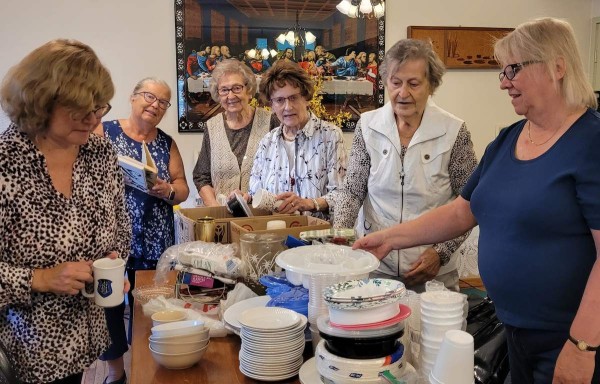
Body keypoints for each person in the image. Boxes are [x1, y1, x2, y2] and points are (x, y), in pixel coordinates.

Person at [353, 18, 600, 383]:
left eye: (512, 69)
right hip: (513, 329)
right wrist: (389, 238)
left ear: (557, 67)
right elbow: (462, 211)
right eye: (503, 71)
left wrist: (582, 347)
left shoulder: (590, 143)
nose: (503, 82)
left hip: (566, 339)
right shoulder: (508, 139)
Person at [0, 39, 130, 384]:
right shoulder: (6, 165)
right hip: (25, 352)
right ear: (41, 102)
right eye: (80, 109)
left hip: (85, 339)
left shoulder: (98, 152)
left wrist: (116, 259)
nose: (93, 119)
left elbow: (120, 224)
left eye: (99, 107)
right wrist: (40, 278)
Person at [333, 39, 477, 292]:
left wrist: (440, 252)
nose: (403, 93)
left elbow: (472, 203)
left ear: (431, 85)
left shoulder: (453, 130)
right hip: (376, 263)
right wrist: (341, 238)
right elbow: (353, 191)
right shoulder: (368, 126)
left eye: (413, 84)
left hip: (433, 272)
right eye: (395, 83)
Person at [94, 77, 189, 384]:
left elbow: (183, 188)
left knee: (150, 306)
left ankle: (147, 369)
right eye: (149, 97)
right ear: (133, 98)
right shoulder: (103, 131)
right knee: (107, 308)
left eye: (163, 102)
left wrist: (167, 190)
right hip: (109, 239)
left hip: (155, 238)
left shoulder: (165, 143)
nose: (155, 105)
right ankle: (115, 373)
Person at [249, 60, 348, 221]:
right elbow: (255, 193)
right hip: (275, 236)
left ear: (306, 98)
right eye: (279, 100)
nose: (287, 107)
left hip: (316, 238)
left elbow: (344, 195)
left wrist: (309, 203)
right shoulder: (267, 142)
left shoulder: (330, 136)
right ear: (272, 105)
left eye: (293, 98)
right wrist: (245, 198)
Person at [193, 59, 278, 206]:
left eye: (237, 88)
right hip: (222, 218)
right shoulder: (211, 127)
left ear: (249, 90)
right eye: (224, 90)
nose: (230, 96)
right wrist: (216, 210)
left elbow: (281, 172)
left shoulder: (271, 122)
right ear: (218, 95)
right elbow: (201, 176)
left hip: (262, 217)